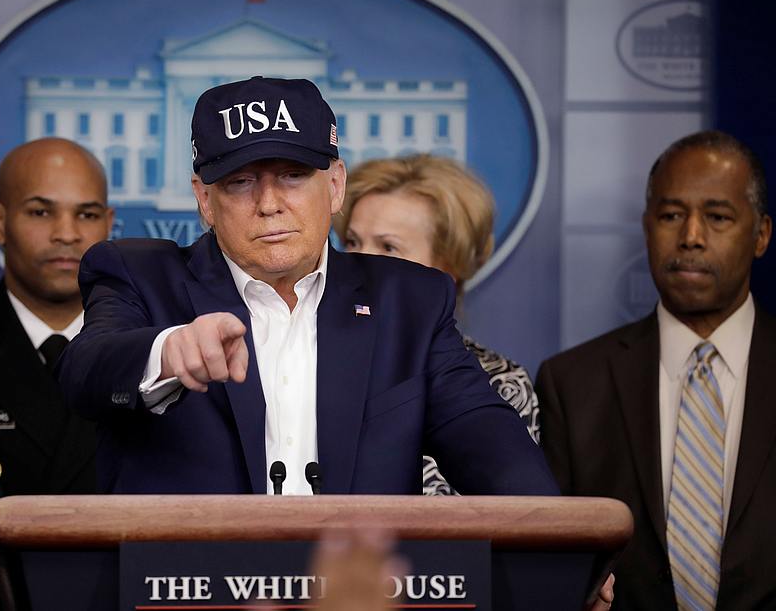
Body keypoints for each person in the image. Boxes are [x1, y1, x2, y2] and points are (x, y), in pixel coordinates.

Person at [58, 76, 557, 496]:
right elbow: (84, 372)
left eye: (293, 176)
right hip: (190, 577)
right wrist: (168, 351)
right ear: (204, 200)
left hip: (358, 579)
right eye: (240, 182)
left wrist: (558, 542)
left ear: (335, 185)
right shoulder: (139, 274)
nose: (269, 203)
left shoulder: (409, 301)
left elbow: (491, 446)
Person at [536, 130, 775, 610]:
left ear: (761, 235)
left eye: (717, 217)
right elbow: (551, 567)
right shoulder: (572, 385)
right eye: (671, 216)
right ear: (647, 227)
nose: (691, 236)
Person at [335, 154, 539, 496]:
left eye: (388, 246)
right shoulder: (312, 354)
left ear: (447, 268)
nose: (359, 260)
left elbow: (512, 514)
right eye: (352, 242)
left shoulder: (500, 383)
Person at [0, 137, 112, 495]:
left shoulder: (157, 352)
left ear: (108, 225)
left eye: (87, 215)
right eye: (41, 212)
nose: (67, 234)